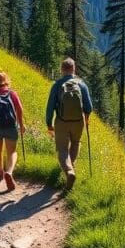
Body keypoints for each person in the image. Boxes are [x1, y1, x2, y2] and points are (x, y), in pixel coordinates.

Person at [45, 58, 93, 191]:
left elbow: (50, 108)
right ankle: (71, 167)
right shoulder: (81, 84)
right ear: (74, 69)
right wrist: (86, 119)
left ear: (62, 69)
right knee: (76, 143)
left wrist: (49, 123)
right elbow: (89, 107)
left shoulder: (57, 84)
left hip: (62, 121)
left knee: (62, 149)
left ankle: (69, 171)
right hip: (78, 122)